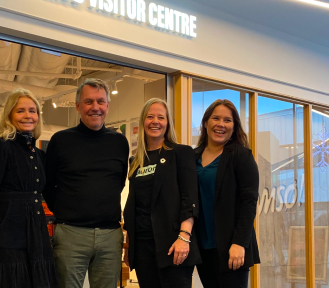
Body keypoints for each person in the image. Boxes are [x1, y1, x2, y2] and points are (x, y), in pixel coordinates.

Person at [43, 78, 129, 288]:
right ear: (78, 106)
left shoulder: (119, 142)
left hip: (110, 235)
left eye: (101, 101)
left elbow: (117, 183)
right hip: (71, 234)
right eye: (89, 102)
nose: (95, 107)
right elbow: (48, 185)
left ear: (108, 105)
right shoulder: (60, 140)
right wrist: (68, 211)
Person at [0, 89, 58, 288]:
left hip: (36, 230)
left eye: (32, 110)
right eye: (20, 111)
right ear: (9, 115)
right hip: (7, 231)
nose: (28, 115)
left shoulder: (39, 154)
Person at [123, 98, 200, 288]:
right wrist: (129, 246)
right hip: (142, 247)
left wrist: (184, 237)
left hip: (173, 245)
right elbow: (135, 204)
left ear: (168, 123)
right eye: (150, 117)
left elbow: (189, 198)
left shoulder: (181, 153)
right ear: (143, 122)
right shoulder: (136, 160)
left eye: (161, 117)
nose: (155, 121)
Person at [194, 99, 260, 288]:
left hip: (232, 248)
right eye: (215, 118)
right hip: (203, 247)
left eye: (227, 120)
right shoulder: (193, 157)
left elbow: (249, 203)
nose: (221, 124)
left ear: (234, 126)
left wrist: (240, 243)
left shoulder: (241, 156)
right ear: (205, 123)